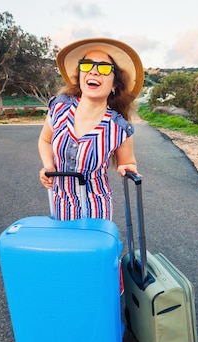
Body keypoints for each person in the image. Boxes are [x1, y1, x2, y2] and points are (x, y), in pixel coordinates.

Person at [38, 38, 144, 220]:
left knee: (92, 249)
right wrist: (49, 166)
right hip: (60, 204)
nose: (94, 71)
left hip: (97, 209)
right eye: (86, 65)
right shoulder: (59, 108)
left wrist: (127, 167)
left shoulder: (119, 128)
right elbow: (45, 140)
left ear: (115, 84)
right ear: (80, 76)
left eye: (103, 68)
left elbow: (128, 162)